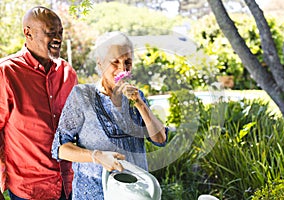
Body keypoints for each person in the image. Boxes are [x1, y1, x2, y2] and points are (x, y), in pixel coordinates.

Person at [51, 31, 168, 199]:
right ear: (100, 63)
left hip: (134, 193)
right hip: (94, 192)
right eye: (115, 62)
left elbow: (160, 139)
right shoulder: (82, 95)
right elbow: (60, 149)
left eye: (128, 62)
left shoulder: (137, 96)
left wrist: (140, 104)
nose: (123, 68)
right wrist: (96, 156)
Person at [0, 6, 77, 200]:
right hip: (29, 189)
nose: (58, 38)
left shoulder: (68, 72)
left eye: (60, 32)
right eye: (51, 33)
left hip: (67, 184)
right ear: (28, 33)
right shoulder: (6, 73)